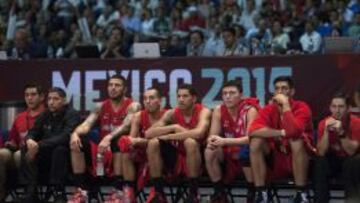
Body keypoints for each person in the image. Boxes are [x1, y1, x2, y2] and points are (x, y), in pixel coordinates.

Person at [68, 74, 141, 203]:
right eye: (110, 85)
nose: (113, 88)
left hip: (128, 152)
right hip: (105, 150)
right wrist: (75, 134)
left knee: (119, 141)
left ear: (124, 89)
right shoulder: (100, 106)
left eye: (117, 85)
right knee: (77, 144)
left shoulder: (133, 105)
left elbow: (126, 125)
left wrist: (109, 136)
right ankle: (82, 190)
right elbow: (86, 124)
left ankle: (118, 191)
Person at [249, 76, 314, 203]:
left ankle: (301, 193)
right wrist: (280, 133)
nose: (280, 91)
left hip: (300, 157)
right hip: (277, 157)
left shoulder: (302, 107)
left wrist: (285, 106)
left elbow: (294, 132)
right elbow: (252, 130)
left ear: (292, 91)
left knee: (296, 140)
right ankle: (261, 193)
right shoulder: (268, 109)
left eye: (284, 88)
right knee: (256, 141)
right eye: (277, 88)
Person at [145, 84, 212, 203]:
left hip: (200, 157)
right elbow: (149, 133)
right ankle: (159, 193)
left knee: (190, 142)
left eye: (185, 96)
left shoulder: (204, 111)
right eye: (179, 96)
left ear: (194, 98)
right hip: (177, 157)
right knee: (153, 143)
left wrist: (171, 136)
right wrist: (174, 126)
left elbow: (199, 133)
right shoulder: (172, 113)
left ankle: (193, 193)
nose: (181, 99)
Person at [20, 87, 81, 203]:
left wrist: (39, 145)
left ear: (64, 101)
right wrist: (29, 140)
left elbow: (65, 137)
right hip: (47, 152)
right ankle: (31, 191)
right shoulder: (46, 114)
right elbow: (33, 131)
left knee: (60, 149)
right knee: (25, 147)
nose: (51, 102)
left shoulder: (72, 114)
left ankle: (59, 192)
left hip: (68, 155)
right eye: (49, 99)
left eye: (55, 99)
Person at [205, 80, 259, 203]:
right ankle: (219, 192)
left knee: (249, 149)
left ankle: (252, 191)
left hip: (248, 153)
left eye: (232, 93)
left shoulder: (250, 110)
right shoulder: (219, 110)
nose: (227, 96)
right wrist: (213, 140)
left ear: (241, 95)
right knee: (209, 150)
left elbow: (251, 138)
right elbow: (211, 136)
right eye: (224, 93)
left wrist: (225, 141)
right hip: (228, 154)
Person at [118, 87, 167, 203]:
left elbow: (164, 141)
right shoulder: (138, 116)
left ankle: (158, 192)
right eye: (145, 99)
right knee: (126, 150)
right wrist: (128, 141)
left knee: (154, 144)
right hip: (144, 155)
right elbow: (132, 140)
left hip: (163, 156)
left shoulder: (168, 115)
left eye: (151, 98)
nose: (147, 101)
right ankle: (129, 193)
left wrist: (140, 141)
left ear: (160, 100)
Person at [0, 84, 45, 201]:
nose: (29, 98)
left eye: (33, 95)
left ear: (41, 97)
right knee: (2, 154)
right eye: (27, 95)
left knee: (20, 154)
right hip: (18, 153)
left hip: (40, 157)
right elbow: (13, 140)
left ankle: (28, 195)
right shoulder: (20, 117)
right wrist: (11, 144)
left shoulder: (48, 115)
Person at [314, 93, 360, 203]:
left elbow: (351, 151)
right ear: (330, 108)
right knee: (320, 162)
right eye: (334, 107)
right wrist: (326, 132)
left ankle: (352, 200)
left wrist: (341, 133)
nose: (337, 110)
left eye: (341, 107)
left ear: (348, 108)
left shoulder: (357, 123)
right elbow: (321, 152)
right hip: (332, 161)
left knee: (353, 162)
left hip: (351, 161)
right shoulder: (323, 123)